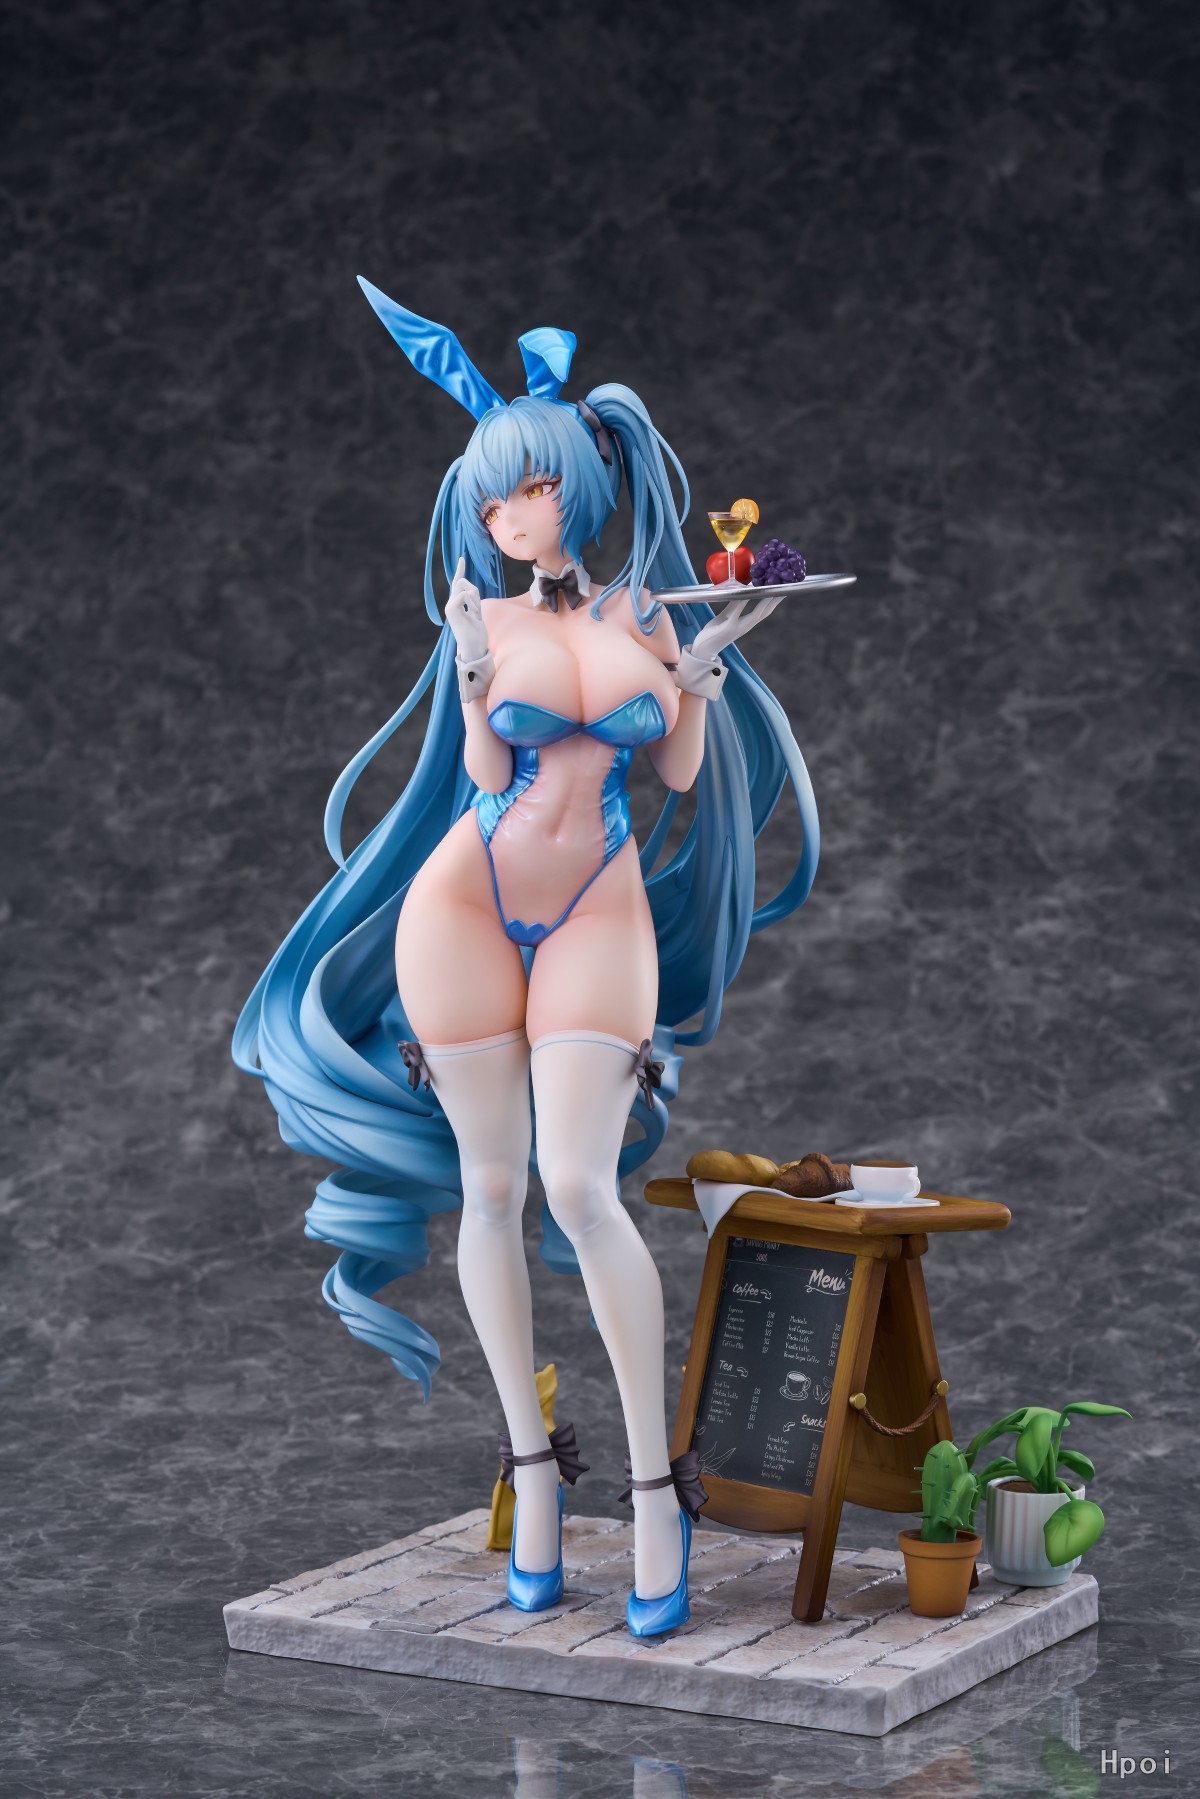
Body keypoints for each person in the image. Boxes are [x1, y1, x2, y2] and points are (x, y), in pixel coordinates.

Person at [233, 280, 820, 1637]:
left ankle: (658, 1488)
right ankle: (533, 1472)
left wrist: (703, 677)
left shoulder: (644, 616)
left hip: (598, 903)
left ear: (580, 485)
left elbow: (679, 774)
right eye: (490, 499)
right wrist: (462, 672)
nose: (509, 516)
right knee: (491, 1188)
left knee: (580, 1187)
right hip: (468, 900)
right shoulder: (489, 623)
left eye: (531, 489)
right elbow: (489, 776)